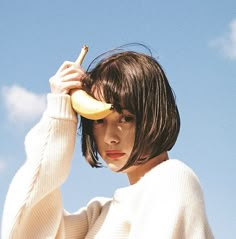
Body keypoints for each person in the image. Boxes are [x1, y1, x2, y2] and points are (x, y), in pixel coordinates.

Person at [1, 45, 214, 238]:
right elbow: (22, 230)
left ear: (153, 115)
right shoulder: (99, 215)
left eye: (126, 118)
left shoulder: (172, 179)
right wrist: (59, 113)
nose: (110, 137)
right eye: (99, 121)